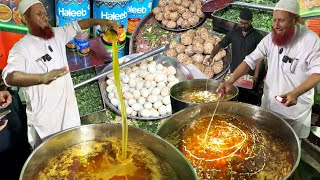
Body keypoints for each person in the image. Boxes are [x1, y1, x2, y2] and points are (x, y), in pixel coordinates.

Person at [2, 0, 119, 147]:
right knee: (51, 161)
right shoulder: (21, 49)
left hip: (69, 113)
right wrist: (41, 78)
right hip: (47, 122)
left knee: (74, 154)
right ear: (25, 19)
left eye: (45, 13)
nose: (44, 17)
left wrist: (100, 21)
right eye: (38, 14)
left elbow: (77, 25)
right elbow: (9, 76)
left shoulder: (56, 34)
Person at [219, 0, 320, 139]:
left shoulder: (311, 41)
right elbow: (250, 61)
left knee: (288, 144)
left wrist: (296, 93)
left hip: (293, 111)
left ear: (295, 20)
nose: (275, 25)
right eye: (274, 20)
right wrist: (230, 81)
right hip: (270, 104)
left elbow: (317, 73)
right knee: (266, 139)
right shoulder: (271, 38)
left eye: (281, 21)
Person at [211, 8, 264, 105]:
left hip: (249, 76)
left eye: (246, 23)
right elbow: (221, 44)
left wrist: (256, 76)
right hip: (234, 74)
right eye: (241, 22)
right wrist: (211, 56)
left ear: (251, 21)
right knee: (233, 99)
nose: (243, 25)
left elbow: (260, 59)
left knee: (248, 101)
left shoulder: (257, 37)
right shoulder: (233, 34)